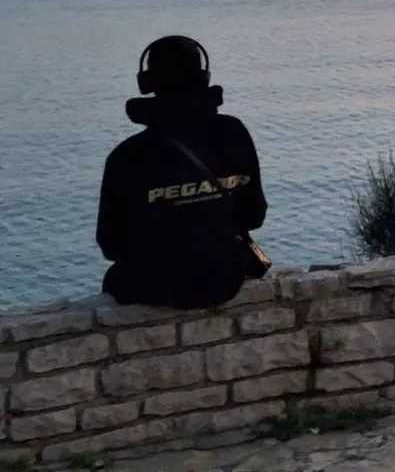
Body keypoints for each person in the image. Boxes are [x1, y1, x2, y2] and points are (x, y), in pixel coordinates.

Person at [97, 36, 269, 307]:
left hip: (155, 286)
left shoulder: (128, 155)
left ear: (147, 82)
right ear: (203, 77)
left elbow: (111, 244)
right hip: (224, 281)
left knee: (114, 280)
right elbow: (254, 216)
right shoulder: (234, 133)